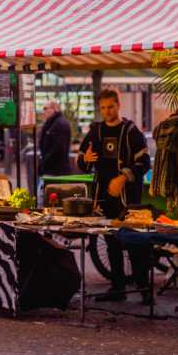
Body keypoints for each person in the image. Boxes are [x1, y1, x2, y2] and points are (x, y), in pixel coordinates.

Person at [77, 89, 151, 303]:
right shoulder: (96, 131)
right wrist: (86, 159)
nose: (107, 111)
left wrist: (123, 178)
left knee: (136, 242)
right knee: (111, 243)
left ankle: (144, 290)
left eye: (110, 107)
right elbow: (82, 161)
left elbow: (144, 163)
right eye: (103, 108)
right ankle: (117, 288)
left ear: (118, 105)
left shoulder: (131, 131)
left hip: (128, 198)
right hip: (104, 197)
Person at [39, 101, 72, 176]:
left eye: (45, 108)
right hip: (52, 169)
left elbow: (58, 149)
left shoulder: (59, 124)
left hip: (57, 171)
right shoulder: (52, 123)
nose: (43, 111)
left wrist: (45, 162)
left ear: (54, 109)